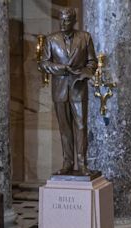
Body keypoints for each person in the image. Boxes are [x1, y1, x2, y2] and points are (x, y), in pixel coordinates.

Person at [39, 8, 98, 175]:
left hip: (78, 88)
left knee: (81, 126)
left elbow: (92, 62)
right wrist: (61, 68)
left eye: (66, 20)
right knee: (64, 128)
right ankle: (67, 163)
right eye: (61, 20)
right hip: (60, 90)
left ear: (74, 21)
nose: (63, 23)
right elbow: (43, 63)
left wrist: (85, 74)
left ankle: (82, 164)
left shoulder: (85, 37)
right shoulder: (51, 40)